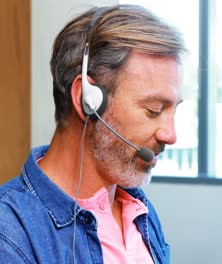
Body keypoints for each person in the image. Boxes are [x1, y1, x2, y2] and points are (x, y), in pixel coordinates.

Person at [0, 4, 186, 264]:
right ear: (88, 100)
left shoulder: (139, 210)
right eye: (153, 110)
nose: (171, 135)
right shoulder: (9, 233)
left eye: (173, 110)